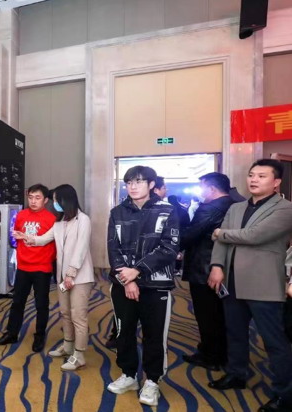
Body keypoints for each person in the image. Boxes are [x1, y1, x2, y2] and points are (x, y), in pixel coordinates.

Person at [208, 159, 292, 412]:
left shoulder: (285, 208)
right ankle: (237, 374)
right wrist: (217, 265)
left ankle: (285, 394)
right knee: (235, 332)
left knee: (274, 341)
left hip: (264, 283)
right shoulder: (237, 207)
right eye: (251, 175)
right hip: (232, 280)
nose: (254, 179)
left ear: (276, 182)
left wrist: (220, 232)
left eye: (262, 176)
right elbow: (221, 243)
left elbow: (255, 236)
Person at [106, 166, 180, 407]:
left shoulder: (167, 211)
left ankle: (152, 380)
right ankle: (128, 374)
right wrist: (127, 279)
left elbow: (169, 248)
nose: (133, 186)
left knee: (154, 335)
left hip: (155, 285)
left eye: (138, 181)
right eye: (129, 182)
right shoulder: (117, 212)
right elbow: (113, 248)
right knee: (123, 332)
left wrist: (136, 271)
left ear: (151, 184)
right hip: (122, 283)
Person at [23, 184, 94, 371]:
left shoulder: (83, 220)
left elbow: (81, 249)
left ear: (65, 200)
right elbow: (43, 239)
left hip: (80, 277)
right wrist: (27, 238)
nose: (54, 204)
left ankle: (79, 355)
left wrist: (71, 273)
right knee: (65, 312)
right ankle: (68, 346)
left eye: (55, 200)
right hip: (63, 278)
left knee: (78, 316)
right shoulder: (59, 223)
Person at [180, 172, 234, 371]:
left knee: (207, 314)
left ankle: (211, 356)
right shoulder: (234, 204)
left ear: (211, 188)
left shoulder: (210, 208)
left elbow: (190, 235)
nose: (201, 191)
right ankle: (218, 352)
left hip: (204, 267)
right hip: (222, 266)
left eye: (202, 187)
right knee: (219, 313)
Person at [0, 184, 57, 353]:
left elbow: (55, 245)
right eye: (30, 197)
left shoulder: (51, 219)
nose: (33, 201)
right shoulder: (21, 215)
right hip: (23, 266)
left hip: (42, 268)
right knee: (17, 302)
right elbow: (15, 237)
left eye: (37, 198)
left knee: (41, 305)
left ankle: (39, 336)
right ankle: (12, 333)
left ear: (45, 200)